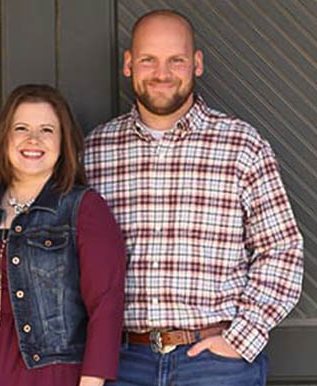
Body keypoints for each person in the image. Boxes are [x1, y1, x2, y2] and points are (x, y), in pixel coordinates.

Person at [84, 9, 303, 386]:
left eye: (176, 60)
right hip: (119, 363)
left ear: (197, 63)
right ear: (128, 64)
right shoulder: (94, 151)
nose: (162, 73)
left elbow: (281, 249)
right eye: (149, 59)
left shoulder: (241, 145)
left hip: (214, 363)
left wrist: (241, 338)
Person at [0, 84, 126, 386]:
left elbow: (106, 306)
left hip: (46, 371)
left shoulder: (84, 208)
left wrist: (92, 382)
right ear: (5, 138)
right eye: (21, 128)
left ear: (63, 143)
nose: (33, 139)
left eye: (47, 130)